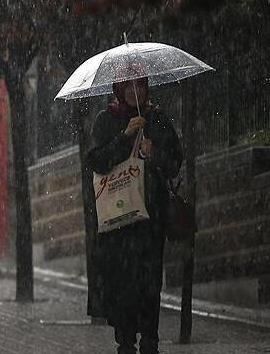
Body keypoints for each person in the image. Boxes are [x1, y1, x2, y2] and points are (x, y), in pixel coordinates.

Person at [87, 76, 183, 354]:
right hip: (119, 225)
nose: (134, 92)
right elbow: (96, 162)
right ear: (119, 89)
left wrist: (154, 154)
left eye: (139, 85)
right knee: (123, 288)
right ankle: (125, 344)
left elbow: (175, 163)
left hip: (149, 222)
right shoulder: (107, 120)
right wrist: (125, 137)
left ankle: (150, 343)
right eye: (128, 86)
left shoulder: (157, 119)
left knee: (150, 286)